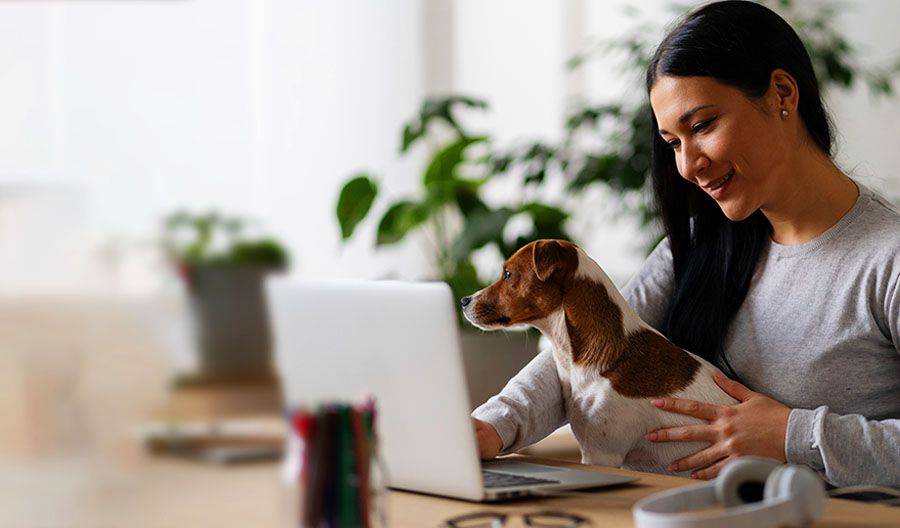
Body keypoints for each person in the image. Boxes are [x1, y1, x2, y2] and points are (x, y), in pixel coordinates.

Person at [471, 0, 899, 488]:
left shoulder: (888, 261)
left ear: (782, 93)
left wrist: (791, 433)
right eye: (673, 142)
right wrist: (491, 427)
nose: (687, 165)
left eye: (701, 126)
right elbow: (589, 346)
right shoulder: (697, 244)